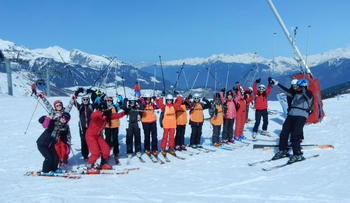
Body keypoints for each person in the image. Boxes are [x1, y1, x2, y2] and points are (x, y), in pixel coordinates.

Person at [269, 78, 314, 163]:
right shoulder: (295, 93)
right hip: (291, 114)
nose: (296, 87)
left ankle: (298, 154)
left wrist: (303, 87)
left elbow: (306, 95)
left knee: (295, 134)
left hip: (301, 115)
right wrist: (276, 83)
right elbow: (286, 91)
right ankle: (283, 150)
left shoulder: (308, 93)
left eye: (298, 86)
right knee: (284, 132)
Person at [85, 102, 125, 174]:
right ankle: (89, 166)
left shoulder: (107, 116)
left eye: (104, 108)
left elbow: (116, 115)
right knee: (95, 152)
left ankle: (103, 163)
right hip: (90, 135)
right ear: (99, 109)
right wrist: (102, 113)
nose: (103, 110)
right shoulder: (96, 114)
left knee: (106, 148)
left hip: (98, 136)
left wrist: (125, 112)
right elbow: (93, 115)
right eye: (101, 109)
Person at [105, 96, 125, 164]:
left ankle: (116, 153)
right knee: (107, 140)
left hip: (115, 125)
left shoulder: (115, 106)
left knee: (115, 140)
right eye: (108, 100)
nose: (109, 101)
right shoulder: (104, 106)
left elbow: (122, 103)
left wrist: (120, 97)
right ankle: (106, 153)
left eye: (110, 100)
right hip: (107, 126)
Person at [73, 95, 94, 160]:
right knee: (83, 140)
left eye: (87, 99)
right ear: (82, 101)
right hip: (82, 127)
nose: (85, 101)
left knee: (91, 140)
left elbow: (97, 103)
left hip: (90, 126)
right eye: (84, 100)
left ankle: (94, 153)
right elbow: (74, 102)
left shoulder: (91, 106)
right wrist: (74, 96)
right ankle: (85, 155)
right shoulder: (80, 106)